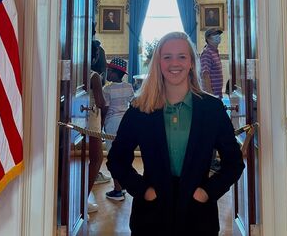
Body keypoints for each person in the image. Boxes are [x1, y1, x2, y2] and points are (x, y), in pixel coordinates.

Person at [107, 31, 244, 236]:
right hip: (151, 217)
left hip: (198, 217)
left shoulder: (212, 109)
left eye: (182, 56)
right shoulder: (140, 109)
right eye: (167, 57)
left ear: (191, 62)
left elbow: (234, 162)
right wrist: (143, 190)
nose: (174, 63)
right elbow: (117, 159)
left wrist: (207, 192)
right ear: (158, 63)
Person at [101, 57, 135, 201]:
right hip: (126, 123)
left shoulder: (107, 89)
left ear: (115, 73)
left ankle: (117, 190)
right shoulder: (128, 87)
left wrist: (101, 126)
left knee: (113, 157)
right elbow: (133, 104)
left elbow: (105, 109)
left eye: (109, 70)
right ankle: (124, 184)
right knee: (124, 155)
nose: (107, 72)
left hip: (112, 123)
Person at [87, 40, 108, 213]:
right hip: (92, 118)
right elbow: (100, 102)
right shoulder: (94, 76)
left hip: (79, 116)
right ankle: (83, 197)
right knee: (97, 158)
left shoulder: (78, 72)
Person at [200, 28, 224, 99]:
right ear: (208, 38)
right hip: (212, 95)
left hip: (217, 93)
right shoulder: (207, 53)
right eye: (214, 34)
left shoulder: (214, 51)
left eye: (218, 34)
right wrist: (211, 95)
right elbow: (205, 75)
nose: (218, 36)